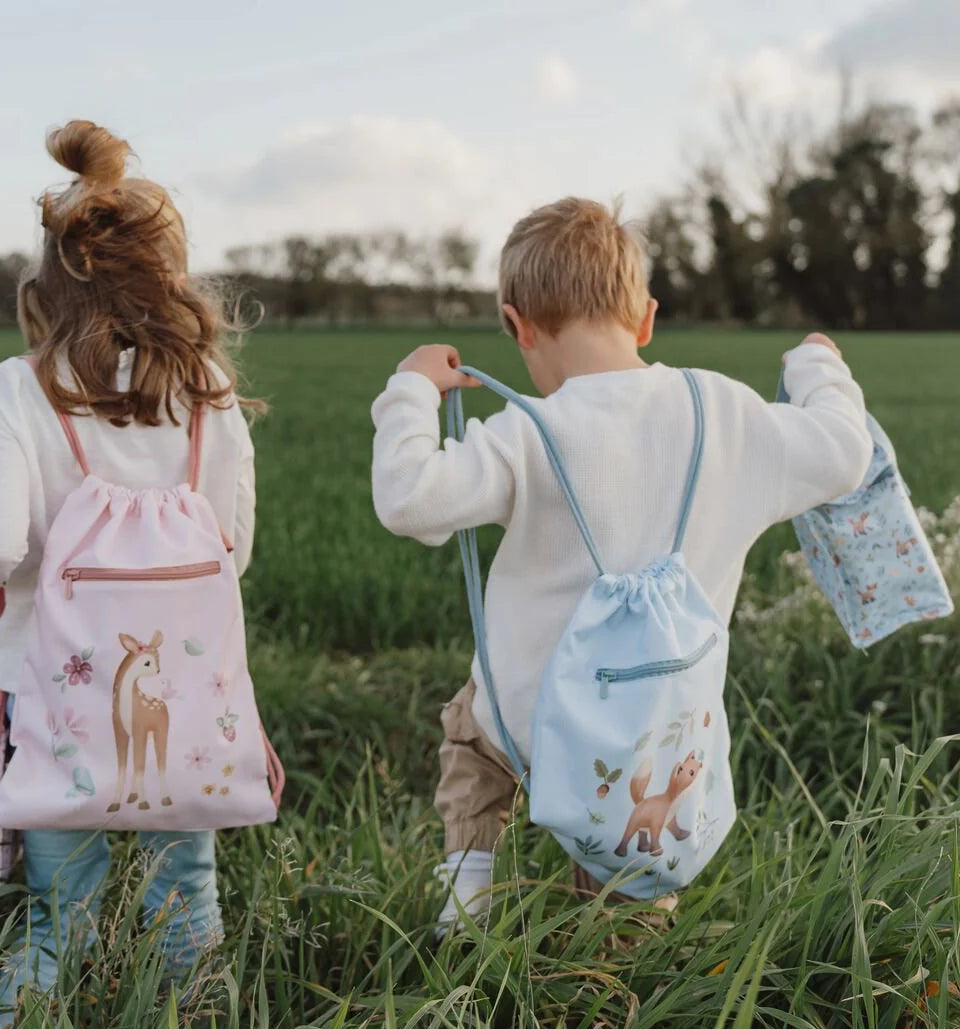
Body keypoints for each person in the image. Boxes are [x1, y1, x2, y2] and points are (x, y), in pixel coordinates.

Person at [370, 197, 873, 933]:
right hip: (653, 724)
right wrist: (817, 365)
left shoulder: (528, 429)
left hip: (525, 716)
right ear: (646, 319)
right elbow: (845, 451)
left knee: (471, 740)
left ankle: (468, 903)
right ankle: (622, 964)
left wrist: (413, 388)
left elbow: (408, 499)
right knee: (633, 852)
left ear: (517, 324)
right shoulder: (726, 413)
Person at [0, 120, 261, 1029]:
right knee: (187, 898)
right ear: (170, 277)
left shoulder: (19, 387)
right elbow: (232, 547)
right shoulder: (206, 390)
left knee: (58, 913)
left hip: (49, 689)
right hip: (184, 689)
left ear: (49, 280)